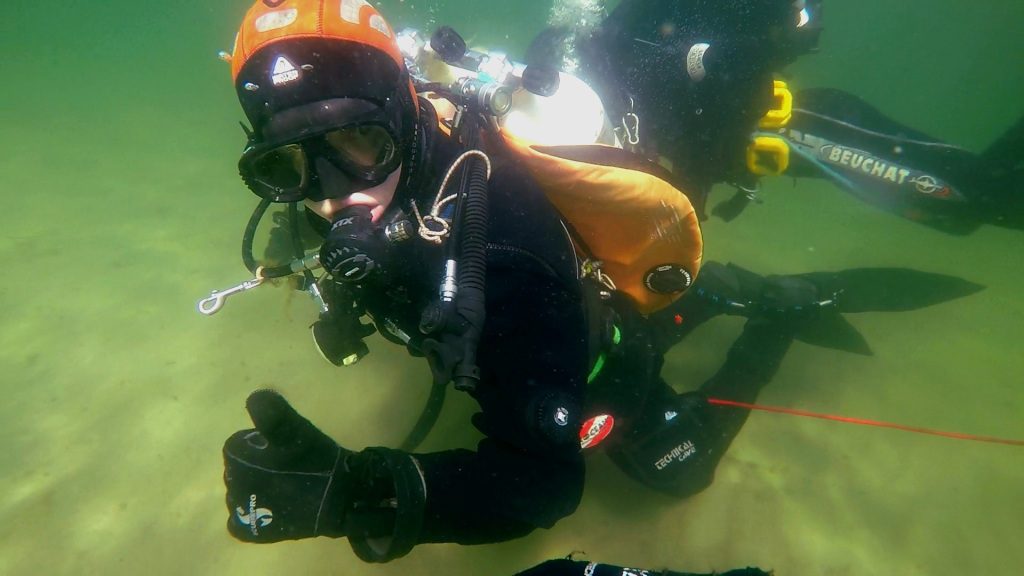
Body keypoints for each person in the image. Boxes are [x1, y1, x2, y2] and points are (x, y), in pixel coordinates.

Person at [214, 0, 983, 564]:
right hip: (561, 310)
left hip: (588, 343)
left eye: (360, 142)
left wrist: (356, 492)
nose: (333, 198)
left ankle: (775, 315)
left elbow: (545, 485)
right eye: (287, 165)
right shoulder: (346, 187)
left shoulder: (503, 251)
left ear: (407, 115)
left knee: (675, 468)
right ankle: (711, 291)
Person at [529, 0, 1023, 234]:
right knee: (968, 197)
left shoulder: (623, 49)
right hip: (762, 134)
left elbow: (799, 30)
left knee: (967, 191)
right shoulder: (609, 48)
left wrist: (707, 59)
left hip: (788, 126)